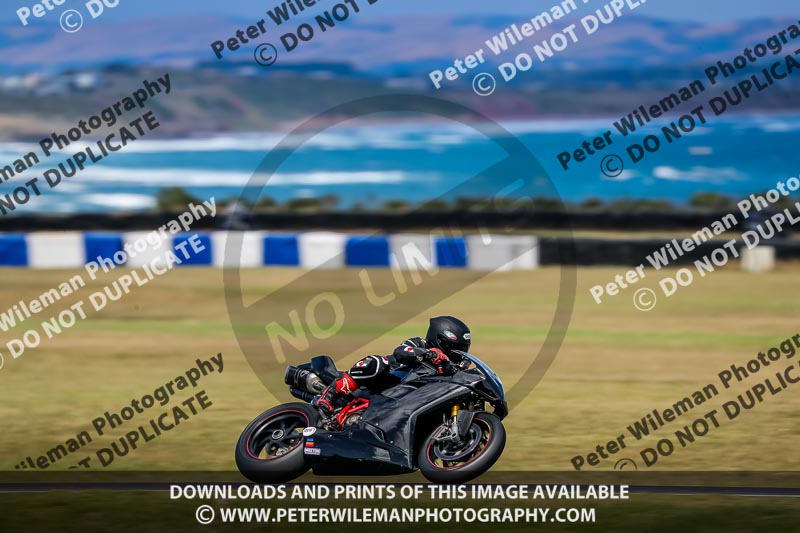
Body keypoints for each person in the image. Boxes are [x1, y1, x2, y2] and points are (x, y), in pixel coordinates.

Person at [312, 316, 471, 417]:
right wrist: (428, 354)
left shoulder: (453, 367)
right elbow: (400, 352)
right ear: (440, 341)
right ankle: (330, 394)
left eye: (463, 350)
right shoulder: (420, 343)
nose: (459, 354)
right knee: (376, 363)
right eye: (455, 349)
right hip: (388, 381)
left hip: (409, 401)